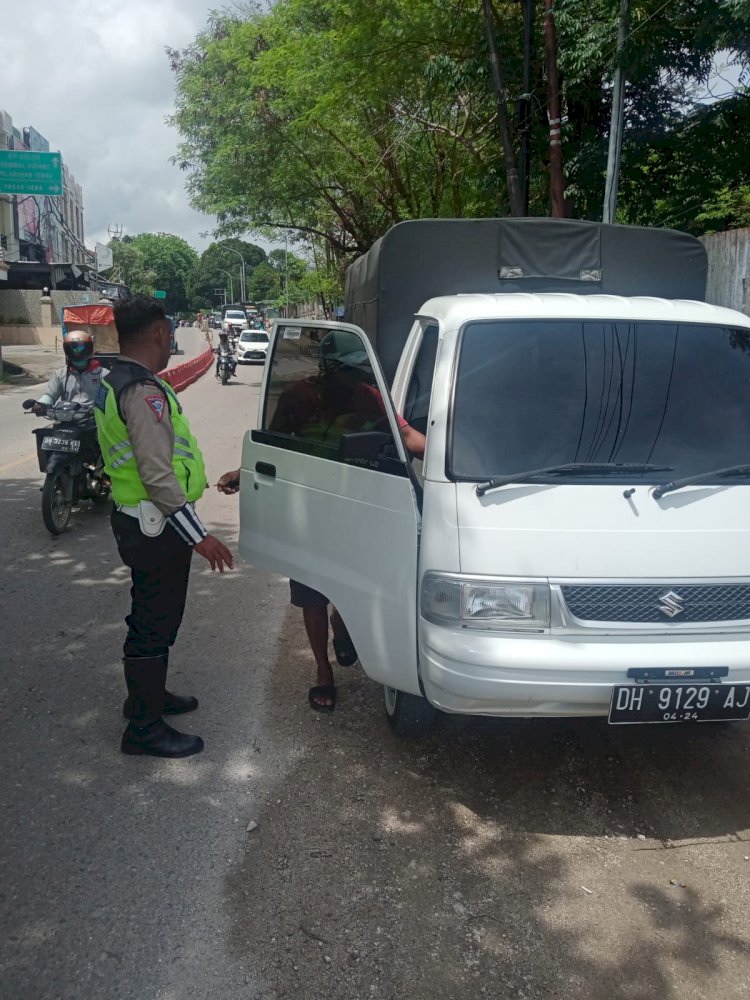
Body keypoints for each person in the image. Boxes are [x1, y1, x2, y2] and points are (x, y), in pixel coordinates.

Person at [217, 330, 425, 712]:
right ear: (329, 370)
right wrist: (244, 473)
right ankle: (322, 671)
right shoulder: (299, 397)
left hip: (356, 506)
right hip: (309, 508)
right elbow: (273, 445)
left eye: (357, 373)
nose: (353, 380)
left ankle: (343, 626)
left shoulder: (369, 396)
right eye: (346, 372)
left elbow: (407, 436)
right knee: (311, 592)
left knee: (351, 582)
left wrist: (453, 458)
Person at [95, 296, 234, 758]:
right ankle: (144, 728)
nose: (172, 339)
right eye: (170, 332)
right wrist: (201, 536)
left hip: (138, 521)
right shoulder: (142, 390)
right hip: (156, 526)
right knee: (155, 622)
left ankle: (146, 698)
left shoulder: (113, 379)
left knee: (150, 615)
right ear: (159, 333)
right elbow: (158, 476)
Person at [34, 329, 108, 419]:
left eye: (81, 349)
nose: (77, 352)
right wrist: (41, 404)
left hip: (94, 421)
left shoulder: (103, 374)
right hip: (67, 419)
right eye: (72, 349)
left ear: (90, 349)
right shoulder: (60, 374)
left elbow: (108, 401)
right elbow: (50, 395)